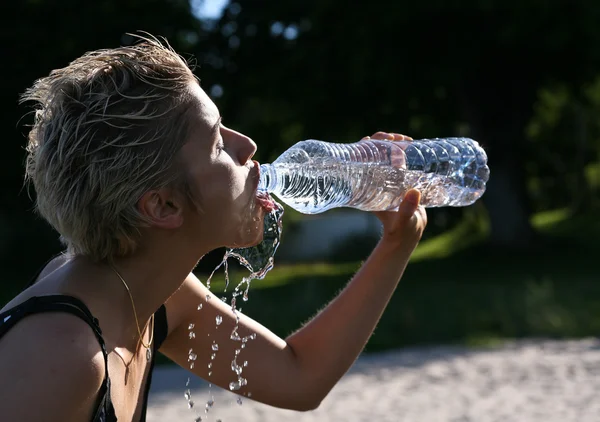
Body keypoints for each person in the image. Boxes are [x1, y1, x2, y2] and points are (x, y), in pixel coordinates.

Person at [0, 35, 427, 421]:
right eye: (219, 144)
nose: (248, 146)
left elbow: (299, 378)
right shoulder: (60, 355)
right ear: (163, 205)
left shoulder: (151, 296)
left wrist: (395, 243)